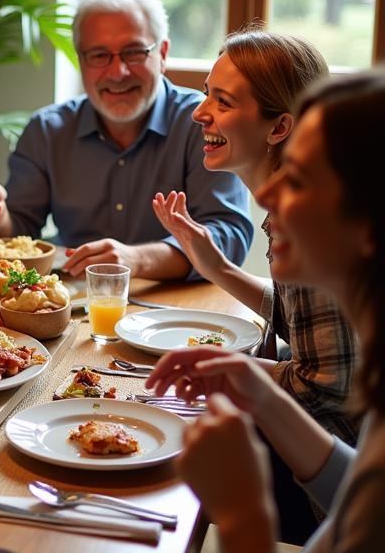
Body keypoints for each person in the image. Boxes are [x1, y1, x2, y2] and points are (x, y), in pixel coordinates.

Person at [145, 69, 385, 553]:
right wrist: (262, 390)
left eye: (299, 178)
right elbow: (358, 497)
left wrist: (247, 519)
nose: (270, 192)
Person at [0, 0, 253, 279]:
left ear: (162, 53)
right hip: (72, 306)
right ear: (81, 61)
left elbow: (229, 236)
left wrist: (136, 259)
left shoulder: (204, 124)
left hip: (177, 311)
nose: (117, 72)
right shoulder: (47, 130)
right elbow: (19, 234)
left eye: (133, 52)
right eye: (99, 55)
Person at [152, 29, 357, 454]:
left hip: (327, 473)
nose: (199, 113)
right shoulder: (305, 198)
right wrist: (218, 269)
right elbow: (305, 330)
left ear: (279, 127)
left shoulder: (305, 223)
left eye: (223, 102)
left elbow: (322, 387)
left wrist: (230, 369)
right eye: (207, 93)